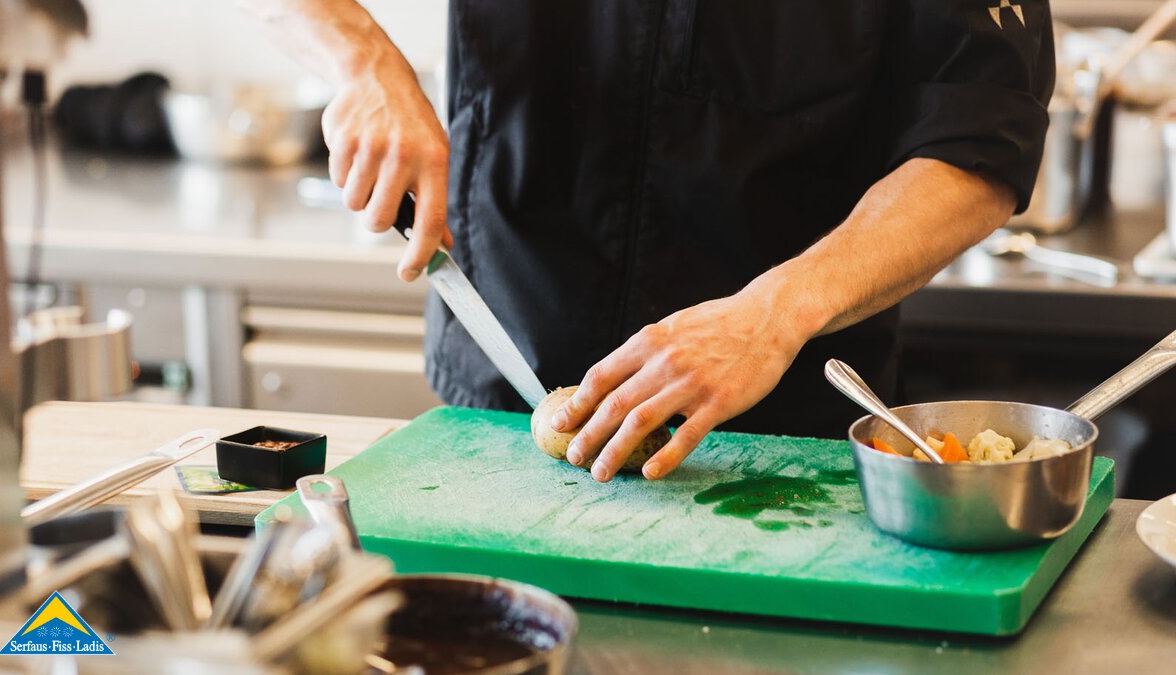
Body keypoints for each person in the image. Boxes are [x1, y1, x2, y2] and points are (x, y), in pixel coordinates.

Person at [244, 0, 1054, 482]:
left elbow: (979, 141)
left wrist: (772, 314)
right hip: (504, 396)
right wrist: (362, 63)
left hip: (787, 438)